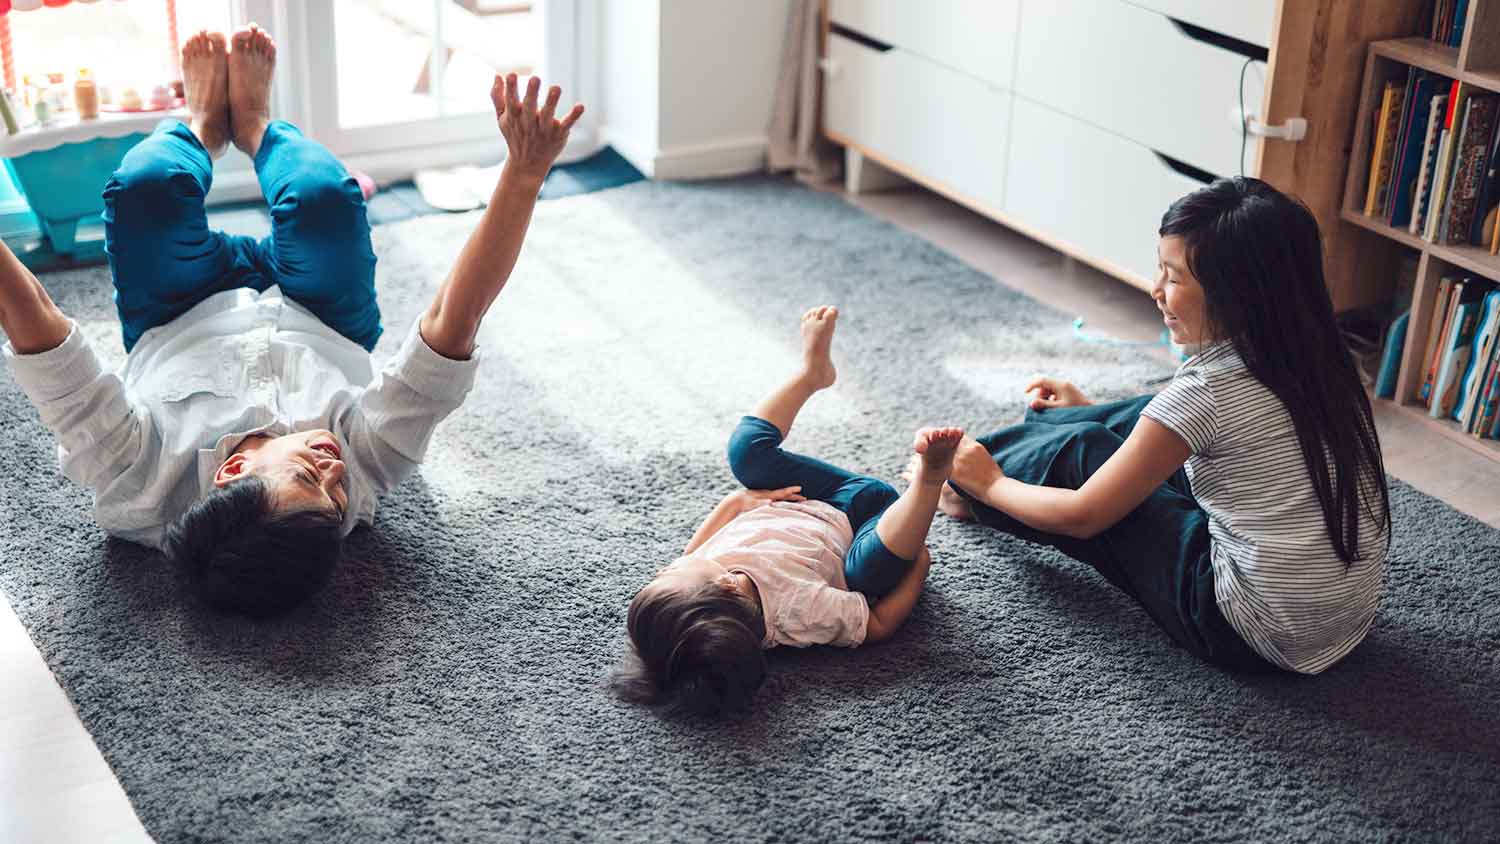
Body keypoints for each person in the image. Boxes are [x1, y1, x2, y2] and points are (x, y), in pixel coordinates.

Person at [0, 25, 584, 616]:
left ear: (232, 470)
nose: (336, 471)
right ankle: (252, 121)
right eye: (336, 499)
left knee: (145, 190)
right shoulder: (372, 464)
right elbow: (452, 319)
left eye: (309, 475)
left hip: (178, 311)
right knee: (321, 197)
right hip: (320, 311)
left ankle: (205, 121)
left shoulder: (130, 480)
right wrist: (524, 173)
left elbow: (44, 337)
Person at [940, 177, 1392, 675]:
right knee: (1145, 417)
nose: (1155, 290)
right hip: (1343, 617)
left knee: (1083, 452)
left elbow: (1083, 516)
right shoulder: (1322, 354)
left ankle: (965, 487)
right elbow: (1178, 420)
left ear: (1237, 295)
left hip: (1246, 628)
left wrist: (992, 483)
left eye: (1173, 277)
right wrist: (1097, 410)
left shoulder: (1208, 390)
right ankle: (1033, 439)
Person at [613, 306, 963, 716]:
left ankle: (812, 374)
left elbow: (711, 530)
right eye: (668, 573)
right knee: (869, 574)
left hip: (805, 494)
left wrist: (740, 502)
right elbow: (878, 625)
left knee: (746, 454)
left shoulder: (697, 573)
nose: (664, 568)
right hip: (865, 519)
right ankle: (928, 481)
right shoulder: (798, 614)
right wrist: (917, 565)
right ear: (727, 584)